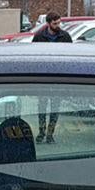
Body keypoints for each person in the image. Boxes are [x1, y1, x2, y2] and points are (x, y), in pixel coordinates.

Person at [32, 13, 72, 141]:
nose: (57, 26)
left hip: (58, 77)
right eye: (55, 23)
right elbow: (33, 55)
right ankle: (41, 131)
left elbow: (71, 55)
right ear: (48, 23)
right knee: (42, 106)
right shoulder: (39, 36)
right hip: (43, 77)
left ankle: (50, 134)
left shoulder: (65, 37)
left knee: (55, 107)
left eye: (59, 23)